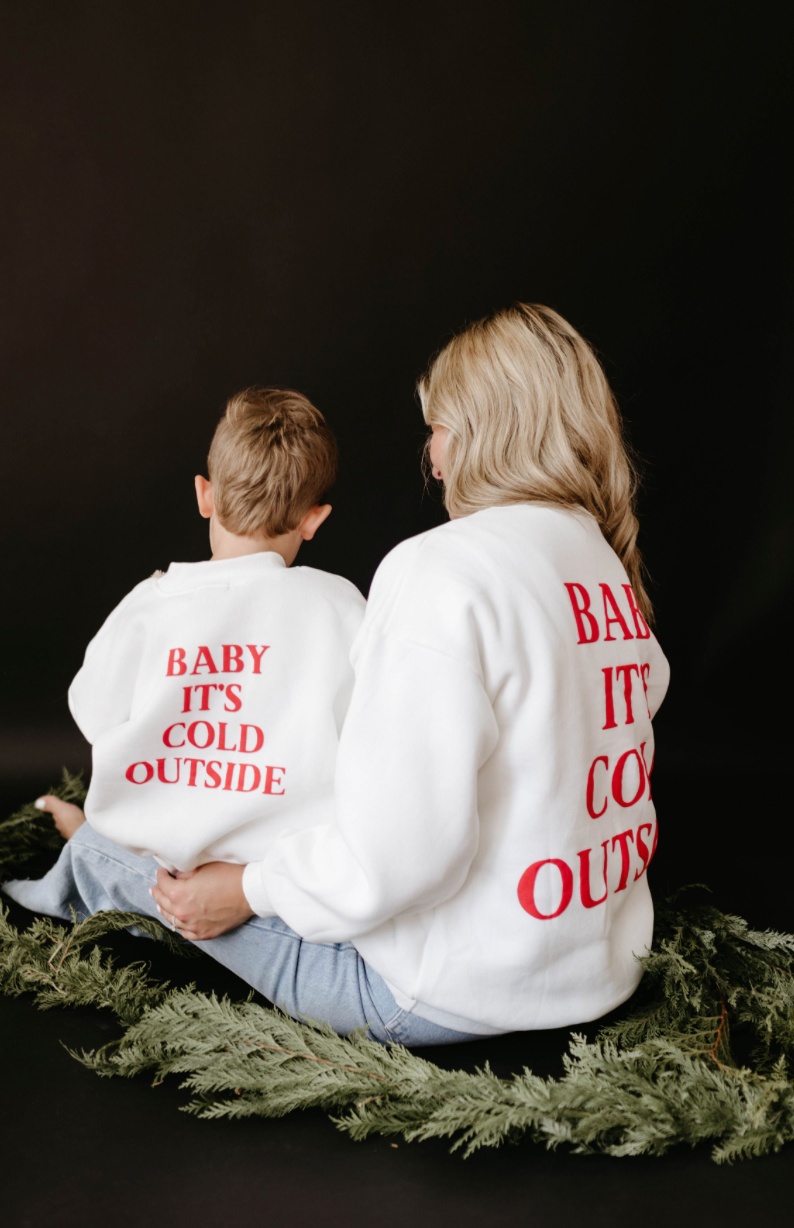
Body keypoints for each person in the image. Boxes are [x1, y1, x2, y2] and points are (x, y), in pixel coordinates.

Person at [6, 304, 669, 1047]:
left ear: (483, 431)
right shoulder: (599, 561)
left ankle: (87, 851)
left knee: (112, 854)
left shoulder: (442, 570)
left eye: (436, 430)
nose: (434, 459)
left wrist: (246, 889)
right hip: (598, 970)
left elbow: (403, 853)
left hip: (439, 993)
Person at [7, 386, 365, 899]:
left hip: (150, 875)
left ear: (205, 494)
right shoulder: (340, 607)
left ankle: (86, 853)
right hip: (272, 886)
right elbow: (368, 732)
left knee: (99, 861)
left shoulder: (150, 604)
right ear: (314, 518)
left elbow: (92, 710)